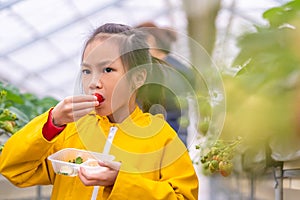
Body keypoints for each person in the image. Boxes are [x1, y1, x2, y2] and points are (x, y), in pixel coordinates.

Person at [0, 23, 198, 199]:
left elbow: (185, 197)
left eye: (108, 70)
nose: (94, 83)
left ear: (138, 78)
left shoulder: (162, 138)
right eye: (87, 71)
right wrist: (52, 122)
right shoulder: (72, 130)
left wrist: (119, 181)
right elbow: (14, 169)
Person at [135, 22, 197, 146]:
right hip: (177, 134)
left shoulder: (160, 71)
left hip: (163, 136)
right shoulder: (178, 68)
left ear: (149, 41)